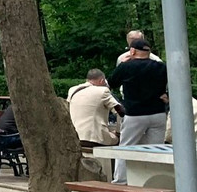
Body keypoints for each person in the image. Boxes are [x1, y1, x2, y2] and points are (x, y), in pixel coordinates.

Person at [109, 38, 168, 183]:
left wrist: (123, 64)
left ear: (132, 51)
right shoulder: (161, 67)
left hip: (135, 114)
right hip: (158, 113)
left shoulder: (127, 67)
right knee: (156, 149)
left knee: (126, 148)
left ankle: (121, 181)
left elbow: (111, 82)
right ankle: (153, 181)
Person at [67, 69, 123, 145]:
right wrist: (118, 132)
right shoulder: (103, 91)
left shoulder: (73, 90)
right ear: (102, 81)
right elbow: (120, 112)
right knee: (120, 140)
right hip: (95, 138)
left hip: (75, 137)